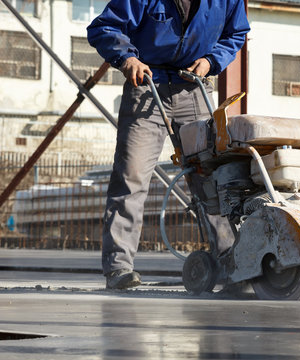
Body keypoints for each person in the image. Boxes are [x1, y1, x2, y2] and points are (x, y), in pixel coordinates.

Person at [87, 0, 250, 289]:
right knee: (131, 176)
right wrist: (127, 58)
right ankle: (119, 269)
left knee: (209, 179)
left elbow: (235, 34)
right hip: (147, 86)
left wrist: (212, 61)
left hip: (194, 87)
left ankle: (229, 263)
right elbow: (104, 27)